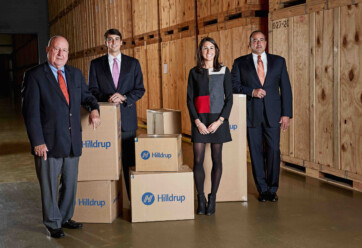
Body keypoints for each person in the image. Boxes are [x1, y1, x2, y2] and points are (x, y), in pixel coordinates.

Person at [22, 36, 101, 238]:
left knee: (70, 183)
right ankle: (52, 222)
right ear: (48, 49)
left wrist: (94, 109)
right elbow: (30, 113)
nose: (60, 54)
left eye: (64, 50)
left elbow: (87, 97)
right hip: (48, 142)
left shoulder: (75, 74)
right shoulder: (35, 75)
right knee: (49, 185)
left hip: (72, 140)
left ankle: (65, 217)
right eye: (57, 49)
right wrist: (37, 141)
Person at [231, 30, 293, 202]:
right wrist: (252, 91)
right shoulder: (240, 63)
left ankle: (273, 189)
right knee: (256, 153)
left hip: (273, 115)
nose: (258, 43)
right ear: (250, 43)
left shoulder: (279, 62)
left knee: (274, 151)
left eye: (261, 40)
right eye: (254, 40)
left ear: (265, 43)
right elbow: (233, 86)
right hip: (251, 115)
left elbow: (286, 89)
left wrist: (286, 114)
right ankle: (263, 190)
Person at [88, 28, 145, 198]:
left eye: (116, 39)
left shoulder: (133, 63)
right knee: (106, 162)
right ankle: (110, 200)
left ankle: (132, 198)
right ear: (106, 43)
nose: (113, 42)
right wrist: (107, 97)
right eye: (109, 39)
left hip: (127, 120)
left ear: (121, 42)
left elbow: (140, 89)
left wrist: (125, 97)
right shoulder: (96, 64)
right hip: (105, 120)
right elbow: (91, 90)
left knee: (129, 161)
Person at [187, 37, 233, 215]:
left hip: (217, 120)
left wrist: (220, 121)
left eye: (211, 48)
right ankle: (200, 198)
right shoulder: (194, 72)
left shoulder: (224, 70)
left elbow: (229, 99)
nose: (208, 51)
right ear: (200, 52)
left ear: (216, 50)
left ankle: (212, 198)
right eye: (205, 48)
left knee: (216, 159)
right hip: (200, 119)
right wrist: (197, 122)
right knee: (197, 160)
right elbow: (190, 99)